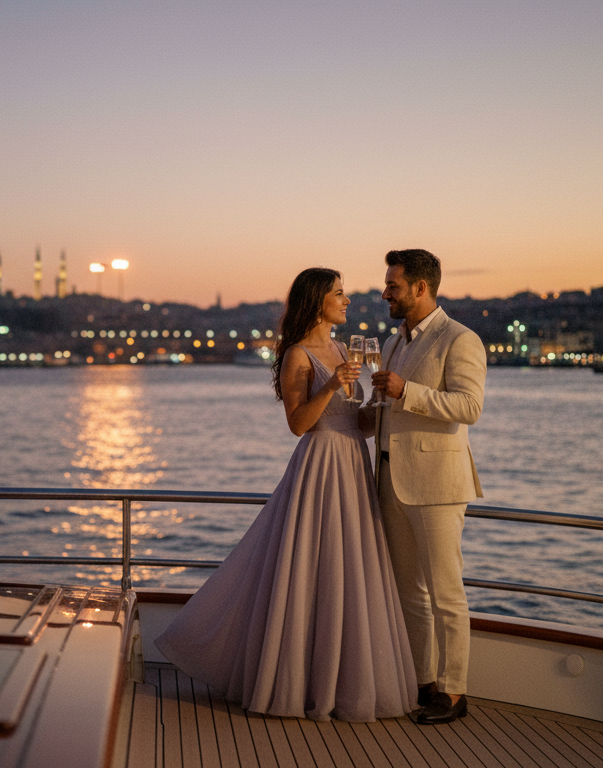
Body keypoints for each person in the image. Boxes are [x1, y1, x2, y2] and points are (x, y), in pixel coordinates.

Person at [154, 267, 417, 722]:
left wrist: (381, 406)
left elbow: (357, 425)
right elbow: (299, 425)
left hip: (353, 463)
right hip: (319, 466)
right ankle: (293, 680)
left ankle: (339, 680)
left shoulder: (341, 347)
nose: (348, 300)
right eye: (339, 293)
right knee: (310, 566)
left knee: (348, 566)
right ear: (317, 301)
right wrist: (333, 383)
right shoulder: (299, 354)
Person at [368, 249, 486, 725]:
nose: (384, 293)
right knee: (407, 592)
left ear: (420, 287)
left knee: (446, 593)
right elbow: (389, 409)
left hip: (437, 484)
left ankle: (455, 693)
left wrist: (404, 392)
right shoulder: (394, 342)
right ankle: (424, 682)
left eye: (392, 285)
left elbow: (469, 406)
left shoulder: (460, 338)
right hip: (390, 480)